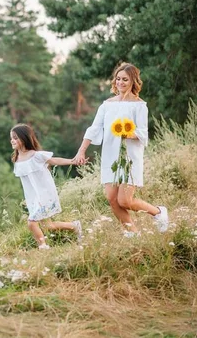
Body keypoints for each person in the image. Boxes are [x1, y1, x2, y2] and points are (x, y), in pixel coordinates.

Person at [72, 62, 168, 236]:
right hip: (110, 156)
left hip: (130, 156)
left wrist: (127, 133)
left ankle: (158, 212)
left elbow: (143, 132)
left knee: (124, 200)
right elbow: (94, 128)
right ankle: (133, 233)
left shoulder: (139, 106)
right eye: (118, 79)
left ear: (133, 81)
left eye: (125, 79)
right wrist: (81, 150)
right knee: (112, 199)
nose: (120, 82)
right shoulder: (107, 105)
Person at [11, 123, 83, 249]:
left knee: (31, 223)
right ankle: (75, 226)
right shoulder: (17, 159)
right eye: (11, 138)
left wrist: (73, 161)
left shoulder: (35, 155)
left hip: (44, 195)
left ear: (24, 138)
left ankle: (43, 247)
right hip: (33, 199)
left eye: (16, 137)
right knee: (48, 226)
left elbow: (55, 160)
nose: (12, 140)